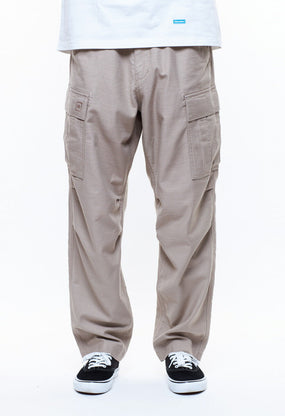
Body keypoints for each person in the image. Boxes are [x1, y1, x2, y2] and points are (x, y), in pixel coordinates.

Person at [57, 0, 222, 395]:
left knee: (186, 205)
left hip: (181, 32)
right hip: (96, 35)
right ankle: (100, 342)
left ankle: (182, 343)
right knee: (94, 205)